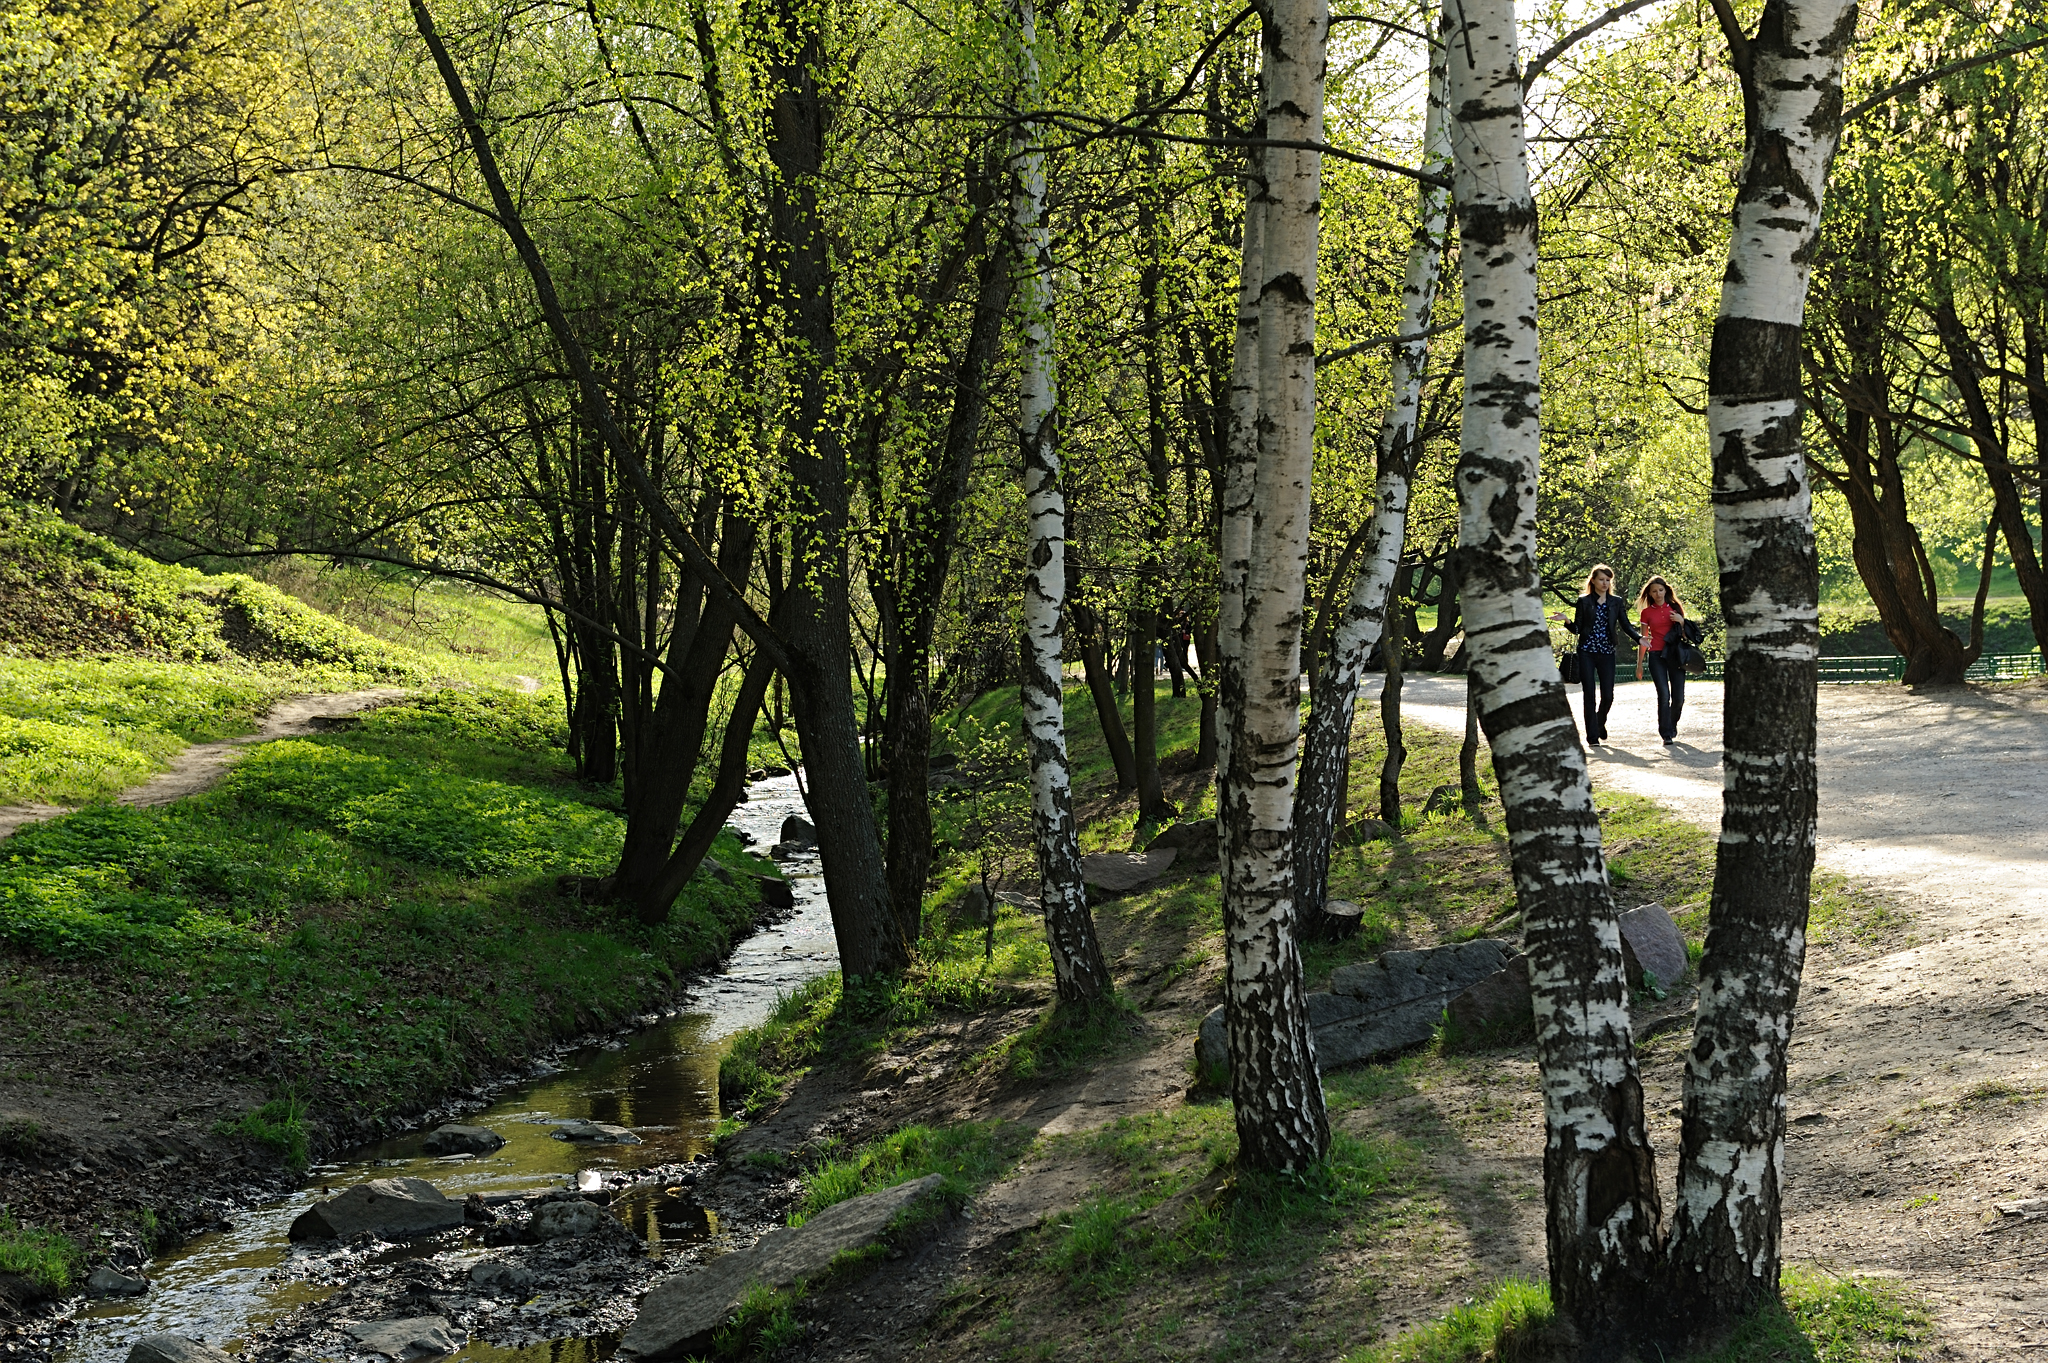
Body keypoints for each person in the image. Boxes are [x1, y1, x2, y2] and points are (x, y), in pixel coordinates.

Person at [1551, 564, 1638, 745]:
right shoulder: (1584, 601)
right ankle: (1592, 737)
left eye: (1608, 580)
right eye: (1601, 579)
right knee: (1589, 694)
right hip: (1587, 652)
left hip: (1607, 652)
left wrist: (1639, 638)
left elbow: (1626, 625)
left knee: (1608, 695)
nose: (1605, 583)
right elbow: (1577, 629)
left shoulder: (1616, 601)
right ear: (1593, 580)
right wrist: (1566, 620)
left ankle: (1599, 722)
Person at [1635, 575, 1690, 745]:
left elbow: (1687, 636)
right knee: (1664, 695)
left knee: (1679, 698)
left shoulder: (1674, 608)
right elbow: (1644, 638)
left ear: (1666, 590)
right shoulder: (1646, 613)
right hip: (1656, 655)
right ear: (1649, 594)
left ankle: (1672, 724)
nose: (1658, 594)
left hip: (1675, 655)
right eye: (1654, 591)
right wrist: (1639, 664)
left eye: (1660, 590)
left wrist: (1681, 621)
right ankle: (1666, 733)